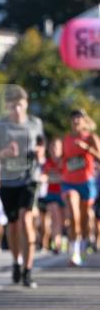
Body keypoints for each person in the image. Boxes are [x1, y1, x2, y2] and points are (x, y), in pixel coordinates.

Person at [0, 85, 45, 289]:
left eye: (20, 105)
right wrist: (3, 153)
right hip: (8, 180)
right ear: (7, 107)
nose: (17, 110)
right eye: (12, 106)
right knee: (12, 225)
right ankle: (16, 262)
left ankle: (28, 271)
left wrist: (39, 153)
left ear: (26, 104)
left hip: (30, 179)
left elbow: (41, 145)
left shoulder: (35, 123)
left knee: (25, 219)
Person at [61, 109, 100, 266]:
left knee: (83, 219)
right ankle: (74, 251)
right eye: (74, 118)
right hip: (69, 182)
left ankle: (82, 245)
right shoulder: (67, 139)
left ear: (84, 121)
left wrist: (87, 148)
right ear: (71, 122)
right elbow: (63, 159)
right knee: (73, 214)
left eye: (79, 118)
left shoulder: (91, 137)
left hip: (86, 182)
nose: (76, 120)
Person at [40, 137, 65, 254]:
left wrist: (52, 178)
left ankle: (70, 242)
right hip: (51, 195)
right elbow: (43, 178)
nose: (54, 150)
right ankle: (57, 244)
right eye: (52, 147)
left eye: (57, 147)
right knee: (55, 217)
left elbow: (65, 178)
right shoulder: (47, 163)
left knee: (63, 221)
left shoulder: (65, 161)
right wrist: (56, 179)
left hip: (64, 195)